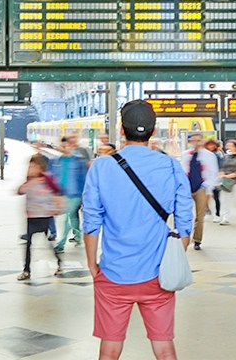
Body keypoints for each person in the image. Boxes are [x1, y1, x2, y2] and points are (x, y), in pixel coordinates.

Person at [83, 100, 193, 360]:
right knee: (164, 348)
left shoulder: (101, 167)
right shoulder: (171, 166)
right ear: (153, 132)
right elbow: (185, 221)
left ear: (122, 130)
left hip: (113, 273)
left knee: (109, 349)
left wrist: (92, 265)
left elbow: (91, 221)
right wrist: (173, 259)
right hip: (157, 276)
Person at [17, 154, 66, 281]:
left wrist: (57, 206)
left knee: (48, 243)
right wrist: (30, 182)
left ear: (40, 167)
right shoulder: (29, 179)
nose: (30, 169)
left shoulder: (48, 179)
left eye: (33, 166)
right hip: (31, 217)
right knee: (28, 244)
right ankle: (26, 270)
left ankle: (59, 262)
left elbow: (57, 191)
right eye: (30, 166)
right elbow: (19, 191)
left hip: (44, 216)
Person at [182, 135, 219, 250]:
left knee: (200, 215)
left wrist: (206, 186)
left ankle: (197, 240)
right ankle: (183, 237)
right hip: (187, 187)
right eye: (194, 140)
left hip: (201, 187)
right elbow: (183, 170)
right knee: (184, 213)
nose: (196, 142)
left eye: (199, 140)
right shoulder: (186, 154)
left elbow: (213, 172)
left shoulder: (209, 156)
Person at [54, 134, 90, 247]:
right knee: (72, 216)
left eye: (66, 146)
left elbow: (84, 177)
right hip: (63, 194)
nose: (64, 148)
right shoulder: (58, 161)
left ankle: (61, 243)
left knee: (66, 219)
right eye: (62, 146)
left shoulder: (78, 160)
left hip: (75, 194)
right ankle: (78, 235)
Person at [204, 140, 229, 225]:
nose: (211, 147)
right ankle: (208, 211)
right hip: (205, 178)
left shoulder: (217, 155)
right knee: (206, 197)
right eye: (209, 145)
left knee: (216, 197)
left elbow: (221, 166)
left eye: (213, 145)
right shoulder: (203, 154)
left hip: (215, 178)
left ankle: (217, 214)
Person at [219, 140, 236, 225]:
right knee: (225, 200)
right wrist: (222, 174)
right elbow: (221, 167)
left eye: (231, 146)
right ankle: (225, 218)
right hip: (226, 182)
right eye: (228, 145)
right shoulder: (225, 157)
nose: (228, 147)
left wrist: (227, 176)